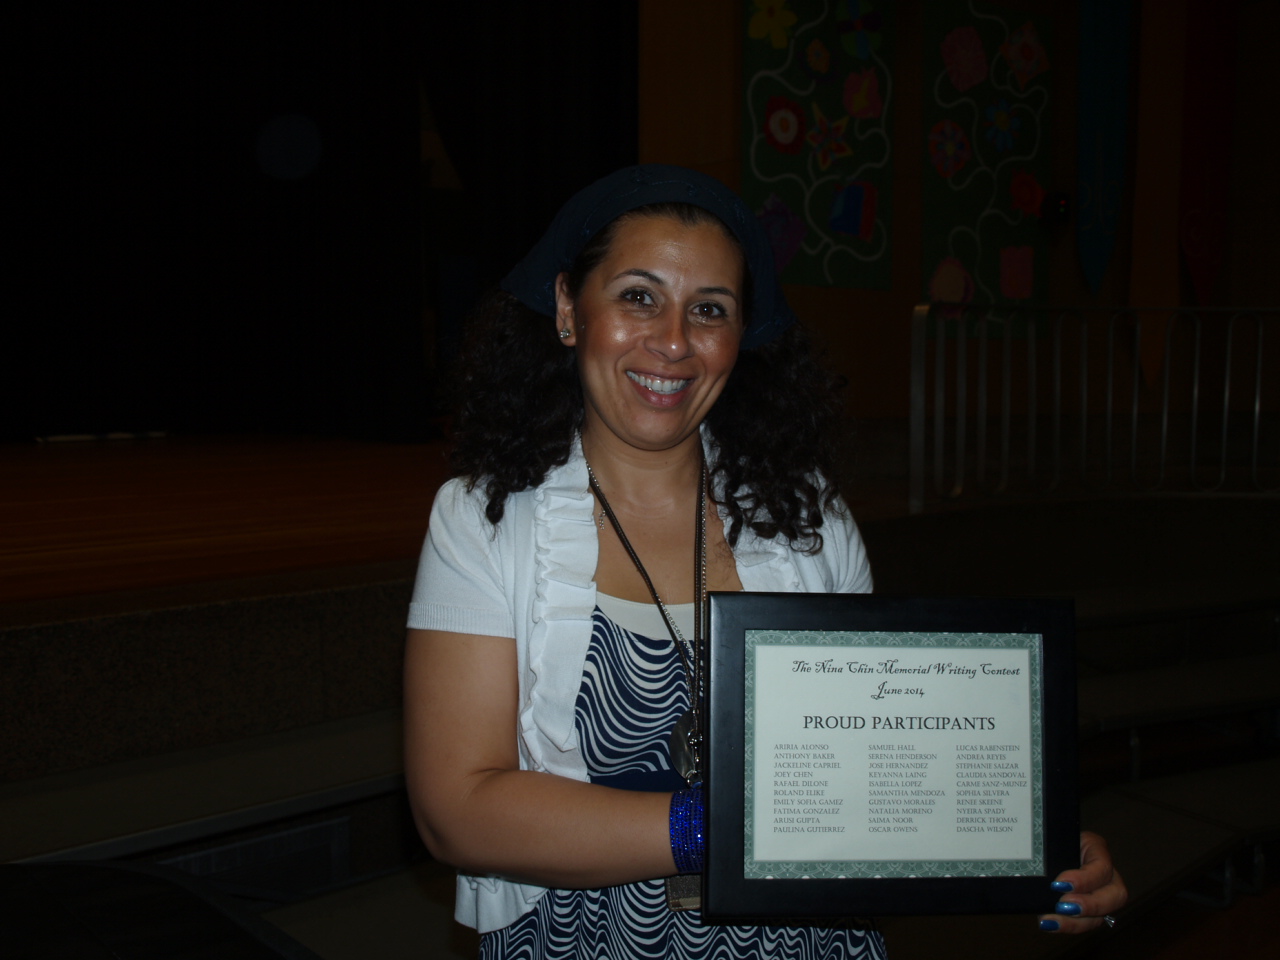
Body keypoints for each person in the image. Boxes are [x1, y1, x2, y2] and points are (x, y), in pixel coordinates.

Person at [404, 164, 1126, 958]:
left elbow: (881, 757)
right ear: (570, 309)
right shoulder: (481, 520)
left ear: (741, 336)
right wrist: (714, 829)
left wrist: (1030, 844)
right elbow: (456, 811)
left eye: (709, 309)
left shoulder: (809, 518)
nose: (674, 340)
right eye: (639, 296)